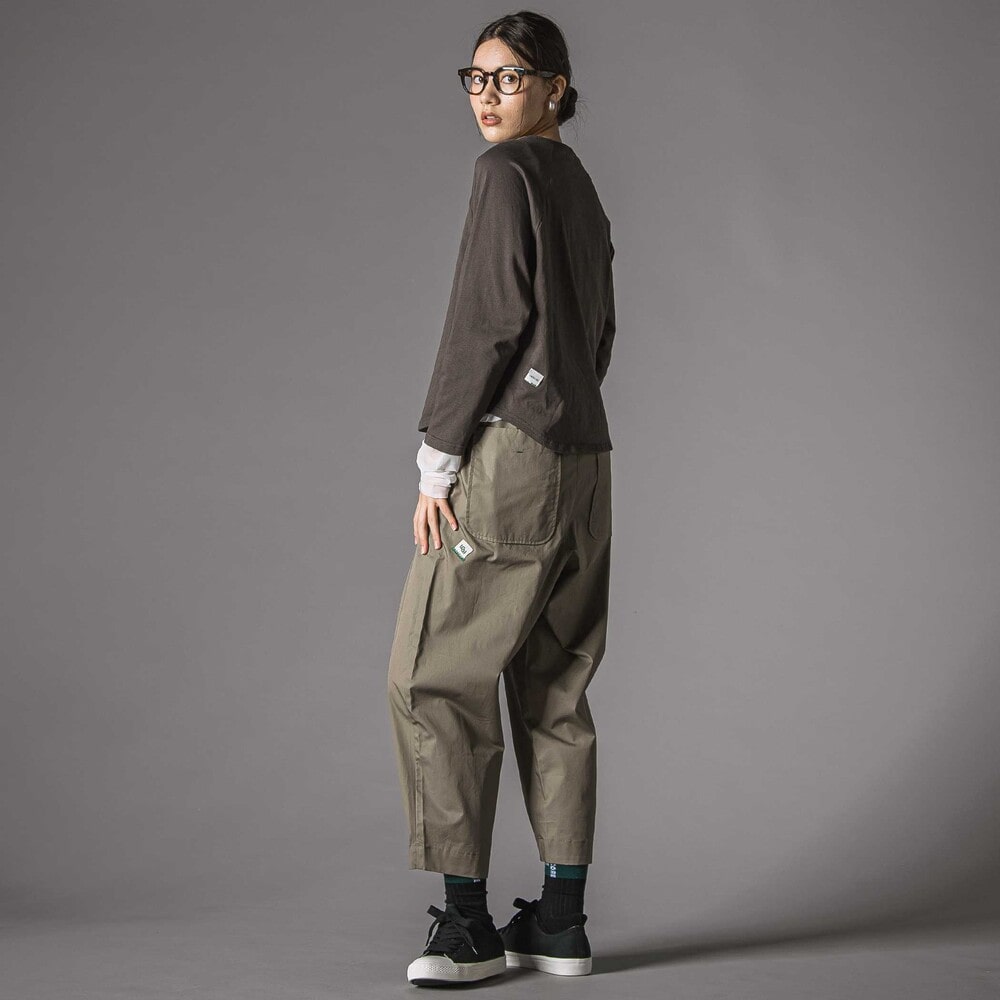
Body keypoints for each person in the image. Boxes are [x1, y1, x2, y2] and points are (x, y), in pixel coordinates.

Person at [386, 10, 617, 987]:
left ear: (555, 87)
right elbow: (599, 331)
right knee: (556, 685)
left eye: (509, 77)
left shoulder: (506, 172)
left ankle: (469, 926)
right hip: (586, 457)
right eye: (475, 78)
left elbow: (485, 322)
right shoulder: (579, 185)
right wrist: (558, 401)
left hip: (514, 458)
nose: (487, 96)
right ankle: (559, 921)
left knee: (433, 677)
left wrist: (438, 460)